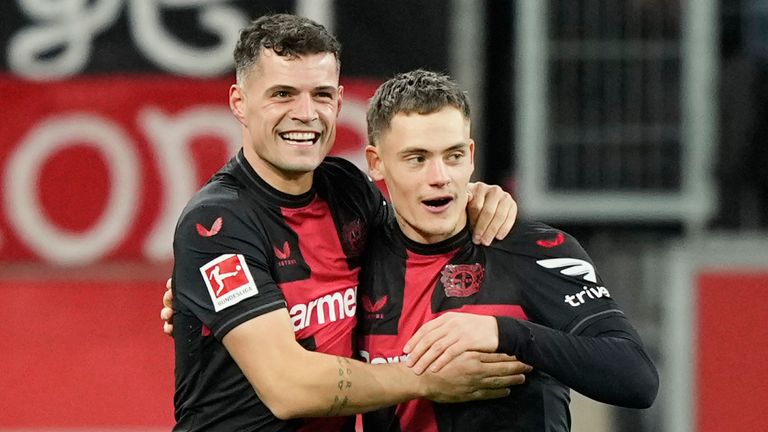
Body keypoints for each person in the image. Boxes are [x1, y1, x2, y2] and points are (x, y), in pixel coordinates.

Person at [169, 14, 525, 432]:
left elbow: (415, 260)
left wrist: (475, 198)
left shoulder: (348, 189)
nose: (305, 114)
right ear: (239, 104)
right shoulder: (216, 223)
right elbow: (289, 388)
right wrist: (427, 380)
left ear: (339, 103)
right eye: (282, 94)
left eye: (320, 95)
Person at [356, 69, 659, 431]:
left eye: (452, 156)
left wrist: (505, 334)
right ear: (376, 163)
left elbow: (637, 377)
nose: (439, 176)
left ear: (470, 156)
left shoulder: (531, 250)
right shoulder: (353, 260)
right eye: (417, 159)